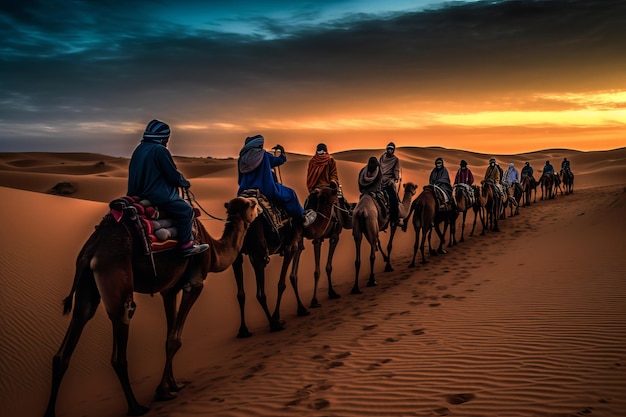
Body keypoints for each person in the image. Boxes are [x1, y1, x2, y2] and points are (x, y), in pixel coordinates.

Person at [128, 119, 209, 257]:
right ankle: (186, 245)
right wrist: (183, 182)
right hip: (156, 195)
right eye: (167, 138)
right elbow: (171, 175)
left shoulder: (139, 149)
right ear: (163, 137)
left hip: (137, 193)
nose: (167, 141)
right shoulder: (160, 150)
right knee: (186, 210)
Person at [237, 134, 316, 227]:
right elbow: (279, 161)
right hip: (266, 188)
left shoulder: (241, 160)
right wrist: (282, 152)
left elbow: (240, 179)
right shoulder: (263, 155)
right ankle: (302, 218)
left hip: (244, 190)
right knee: (291, 194)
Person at [379, 142, 402, 226]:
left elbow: (396, 169)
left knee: (393, 199)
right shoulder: (382, 157)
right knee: (394, 199)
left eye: (391, 149)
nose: (389, 150)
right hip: (380, 180)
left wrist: (395, 178)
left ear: (393, 150)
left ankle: (394, 219)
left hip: (388, 180)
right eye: (388, 148)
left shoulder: (395, 159)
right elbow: (379, 167)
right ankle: (395, 220)